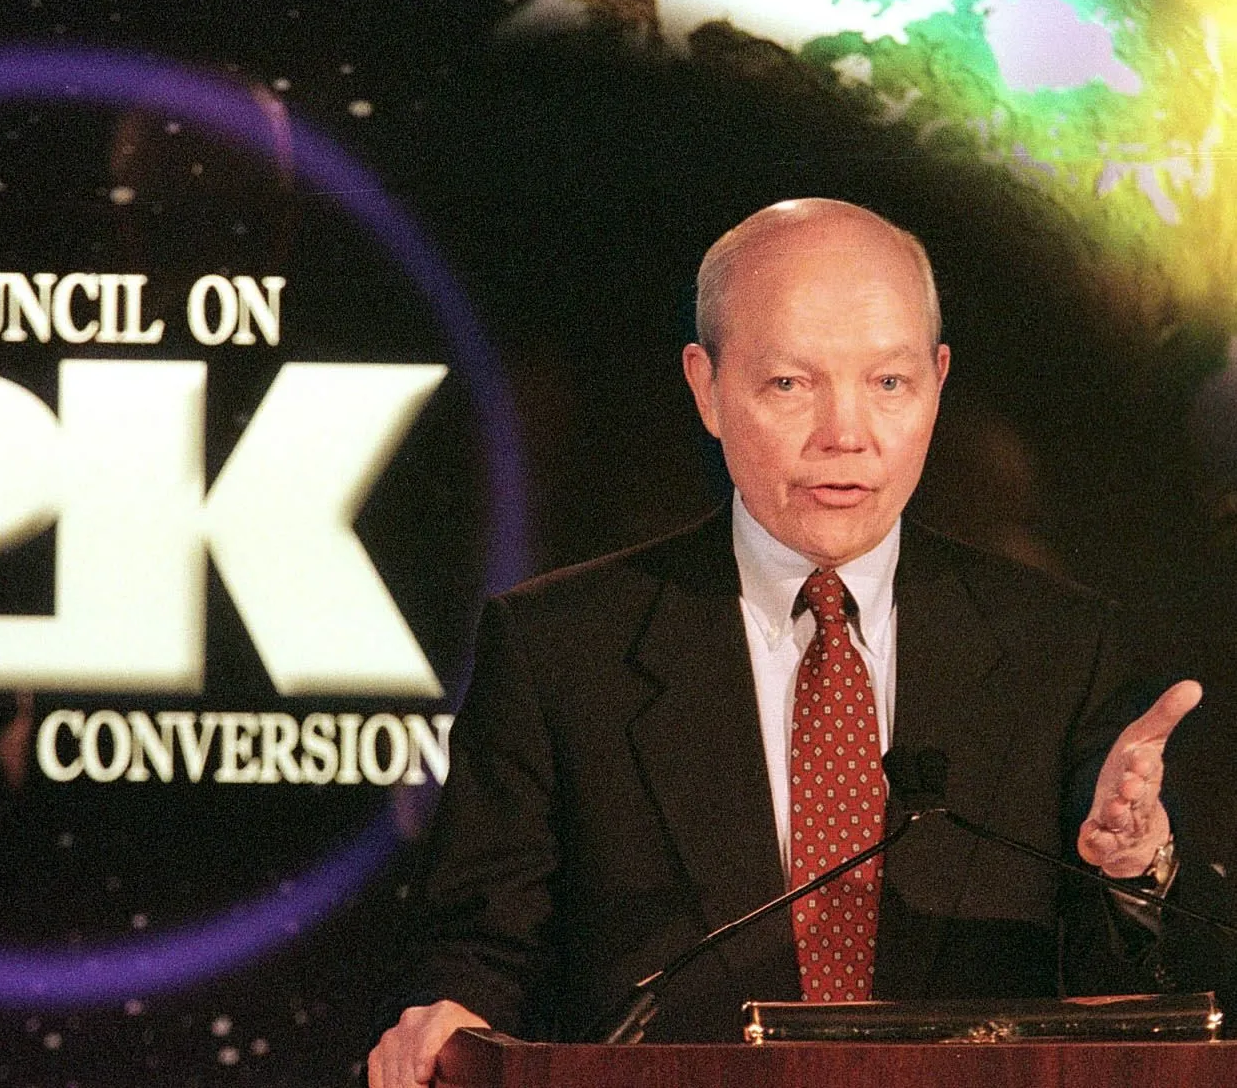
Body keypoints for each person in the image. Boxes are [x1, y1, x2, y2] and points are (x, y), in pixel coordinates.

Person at [367, 198, 1216, 1088]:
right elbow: (481, 951)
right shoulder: (559, 651)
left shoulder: (1060, 646)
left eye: (889, 384)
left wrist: (1134, 874)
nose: (845, 434)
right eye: (790, 384)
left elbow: (1126, 1002)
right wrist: (458, 1022)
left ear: (937, 381)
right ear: (707, 388)